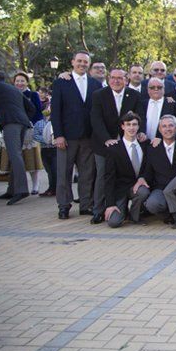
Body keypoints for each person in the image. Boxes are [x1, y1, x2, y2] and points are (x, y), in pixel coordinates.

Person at [52, 51, 103, 219]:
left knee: (87, 173)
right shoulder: (61, 82)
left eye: (85, 62)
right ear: (73, 62)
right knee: (63, 173)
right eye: (79, 61)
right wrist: (58, 134)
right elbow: (56, 111)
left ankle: (86, 204)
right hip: (66, 137)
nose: (82, 64)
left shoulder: (95, 84)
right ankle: (64, 205)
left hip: (88, 137)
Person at [90, 68, 142, 223]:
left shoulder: (134, 95)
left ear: (126, 79)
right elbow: (96, 120)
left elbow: (140, 118)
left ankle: (129, 209)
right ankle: (98, 210)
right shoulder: (99, 95)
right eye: (113, 78)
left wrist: (140, 133)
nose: (116, 81)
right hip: (104, 144)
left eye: (120, 78)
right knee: (102, 176)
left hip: (128, 143)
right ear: (108, 79)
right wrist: (106, 139)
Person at [0, 70, 35, 205]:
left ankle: (21, 190)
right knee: (15, 155)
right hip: (22, 123)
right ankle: (12, 189)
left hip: (10, 123)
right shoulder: (13, 89)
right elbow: (31, 108)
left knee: (14, 155)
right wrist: (24, 119)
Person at [102, 112, 149, 227]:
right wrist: (110, 204)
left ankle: (135, 216)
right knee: (114, 222)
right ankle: (123, 211)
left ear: (138, 126)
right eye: (128, 124)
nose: (131, 128)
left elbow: (148, 168)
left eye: (134, 124)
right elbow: (108, 178)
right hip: (120, 191)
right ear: (123, 126)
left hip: (137, 188)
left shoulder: (145, 145)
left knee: (143, 191)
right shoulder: (114, 149)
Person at [13, 72, 43, 195]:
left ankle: (35, 185)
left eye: (22, 81)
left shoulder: (33, 95)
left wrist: (32, 124)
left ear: (26, 82)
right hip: (15, 129)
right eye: (17, 81)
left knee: (32, 157)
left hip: (30, 129)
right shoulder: (11, 94)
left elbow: (38, 112)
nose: (20, 83)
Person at [33, 86, 57, 197]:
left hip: (55, 149)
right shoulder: (39, 123)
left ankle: (55, 188)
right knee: (48, 169)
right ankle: (51, 187)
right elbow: (35, 134)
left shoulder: (56, 122)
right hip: (45, 149)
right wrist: (46, 140)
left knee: (55, 170)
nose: (48, 110)